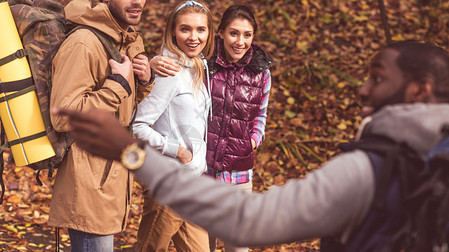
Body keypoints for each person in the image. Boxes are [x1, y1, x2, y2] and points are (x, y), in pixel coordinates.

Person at [53, 41, 449, 251]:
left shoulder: (370, 171)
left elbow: (249, 219)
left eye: (377, 78)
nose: (363, 89)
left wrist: (131, 152)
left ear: (420, 90)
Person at [48, 0, 158, 251]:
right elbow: (63, 115)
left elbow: (124, 107)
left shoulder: (126, 39)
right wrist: (118, 84)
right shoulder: (84, 43)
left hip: (110, 174)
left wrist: (143, 81)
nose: (137, 0)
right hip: (87, 181)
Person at [151, 4, 272, 252]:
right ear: (221, 33)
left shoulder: (261, 72)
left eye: (247, 35)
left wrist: (252, 141)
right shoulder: (203, 63)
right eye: (233, 33)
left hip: (238, 175)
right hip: (202, 171)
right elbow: (175, 65)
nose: (240, 41)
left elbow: (261, 114)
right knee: (204, 245)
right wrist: (153, 61)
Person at [132, 0, 214, 252]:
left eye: (201, 29)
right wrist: (179, 151)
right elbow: (138, 126)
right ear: (173, 32)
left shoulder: (198, 68)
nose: (194, 37)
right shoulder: (169, 71)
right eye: (185, 29)